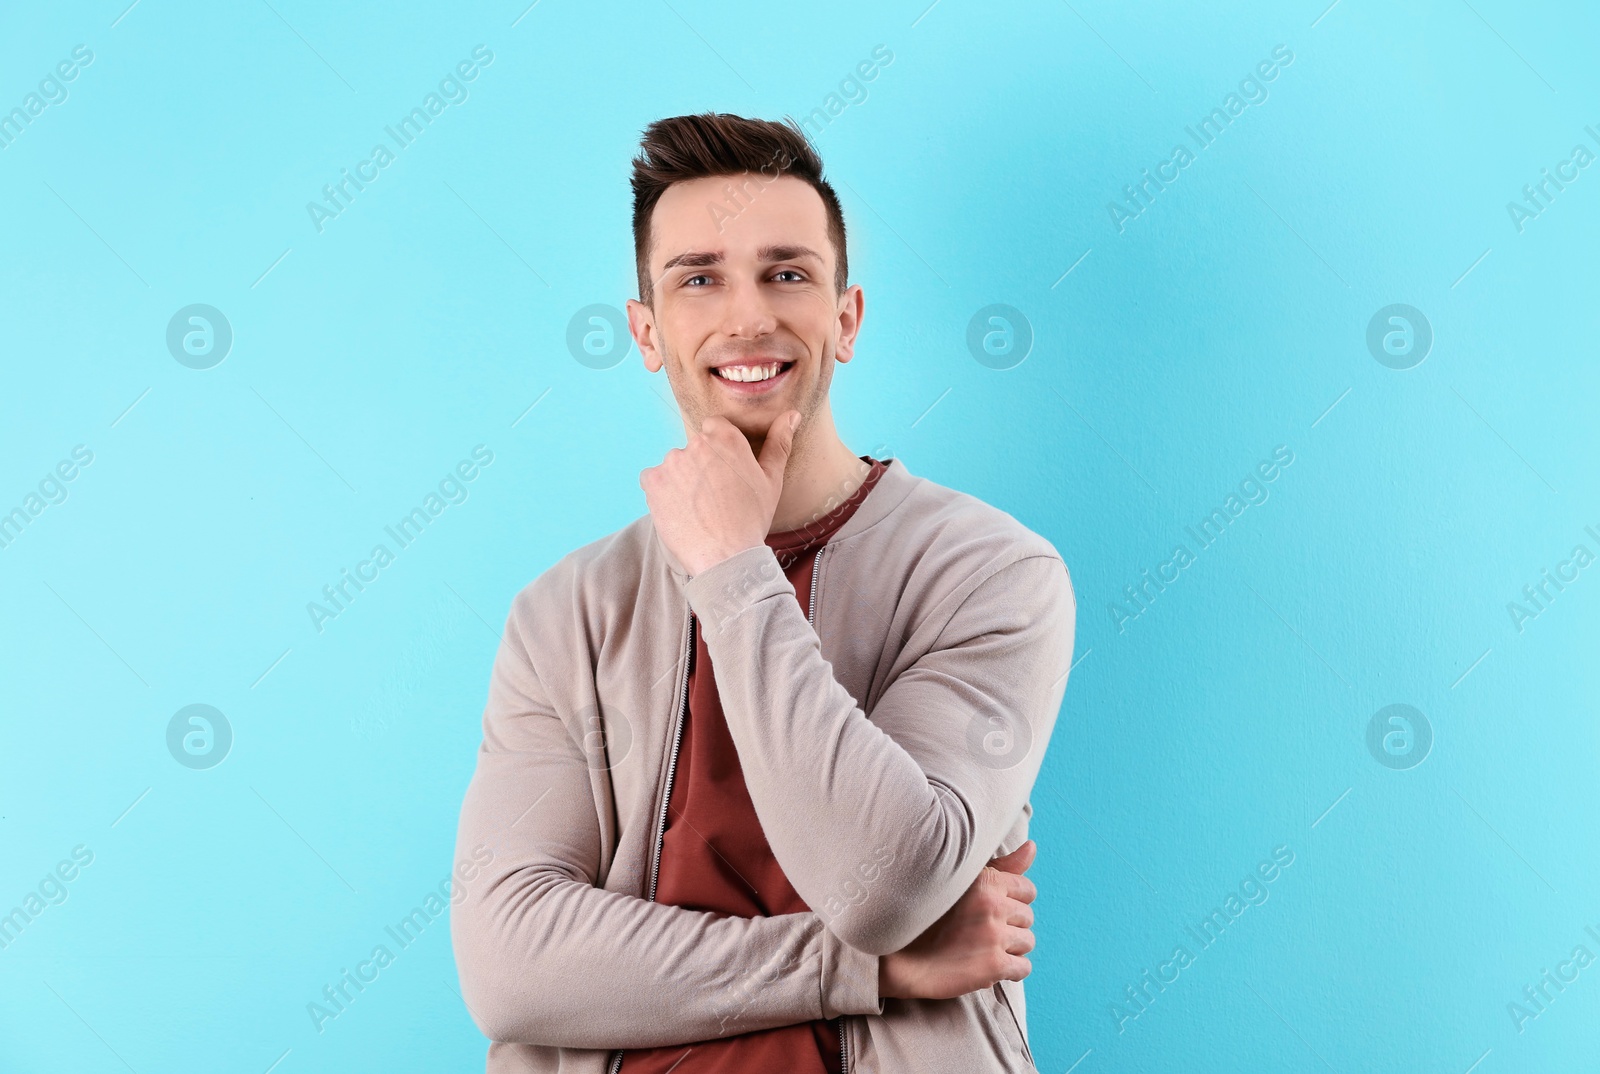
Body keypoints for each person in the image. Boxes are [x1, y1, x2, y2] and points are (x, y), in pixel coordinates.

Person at [451, 112, 1077, 1073]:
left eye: (787, 273)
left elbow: (883, 889)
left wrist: (732, 572)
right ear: (647, 331)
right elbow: (511, 968)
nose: (747, 316)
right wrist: (868, 969)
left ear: (846, 318)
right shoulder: (563, 612)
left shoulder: (991, 572)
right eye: (698, 278)